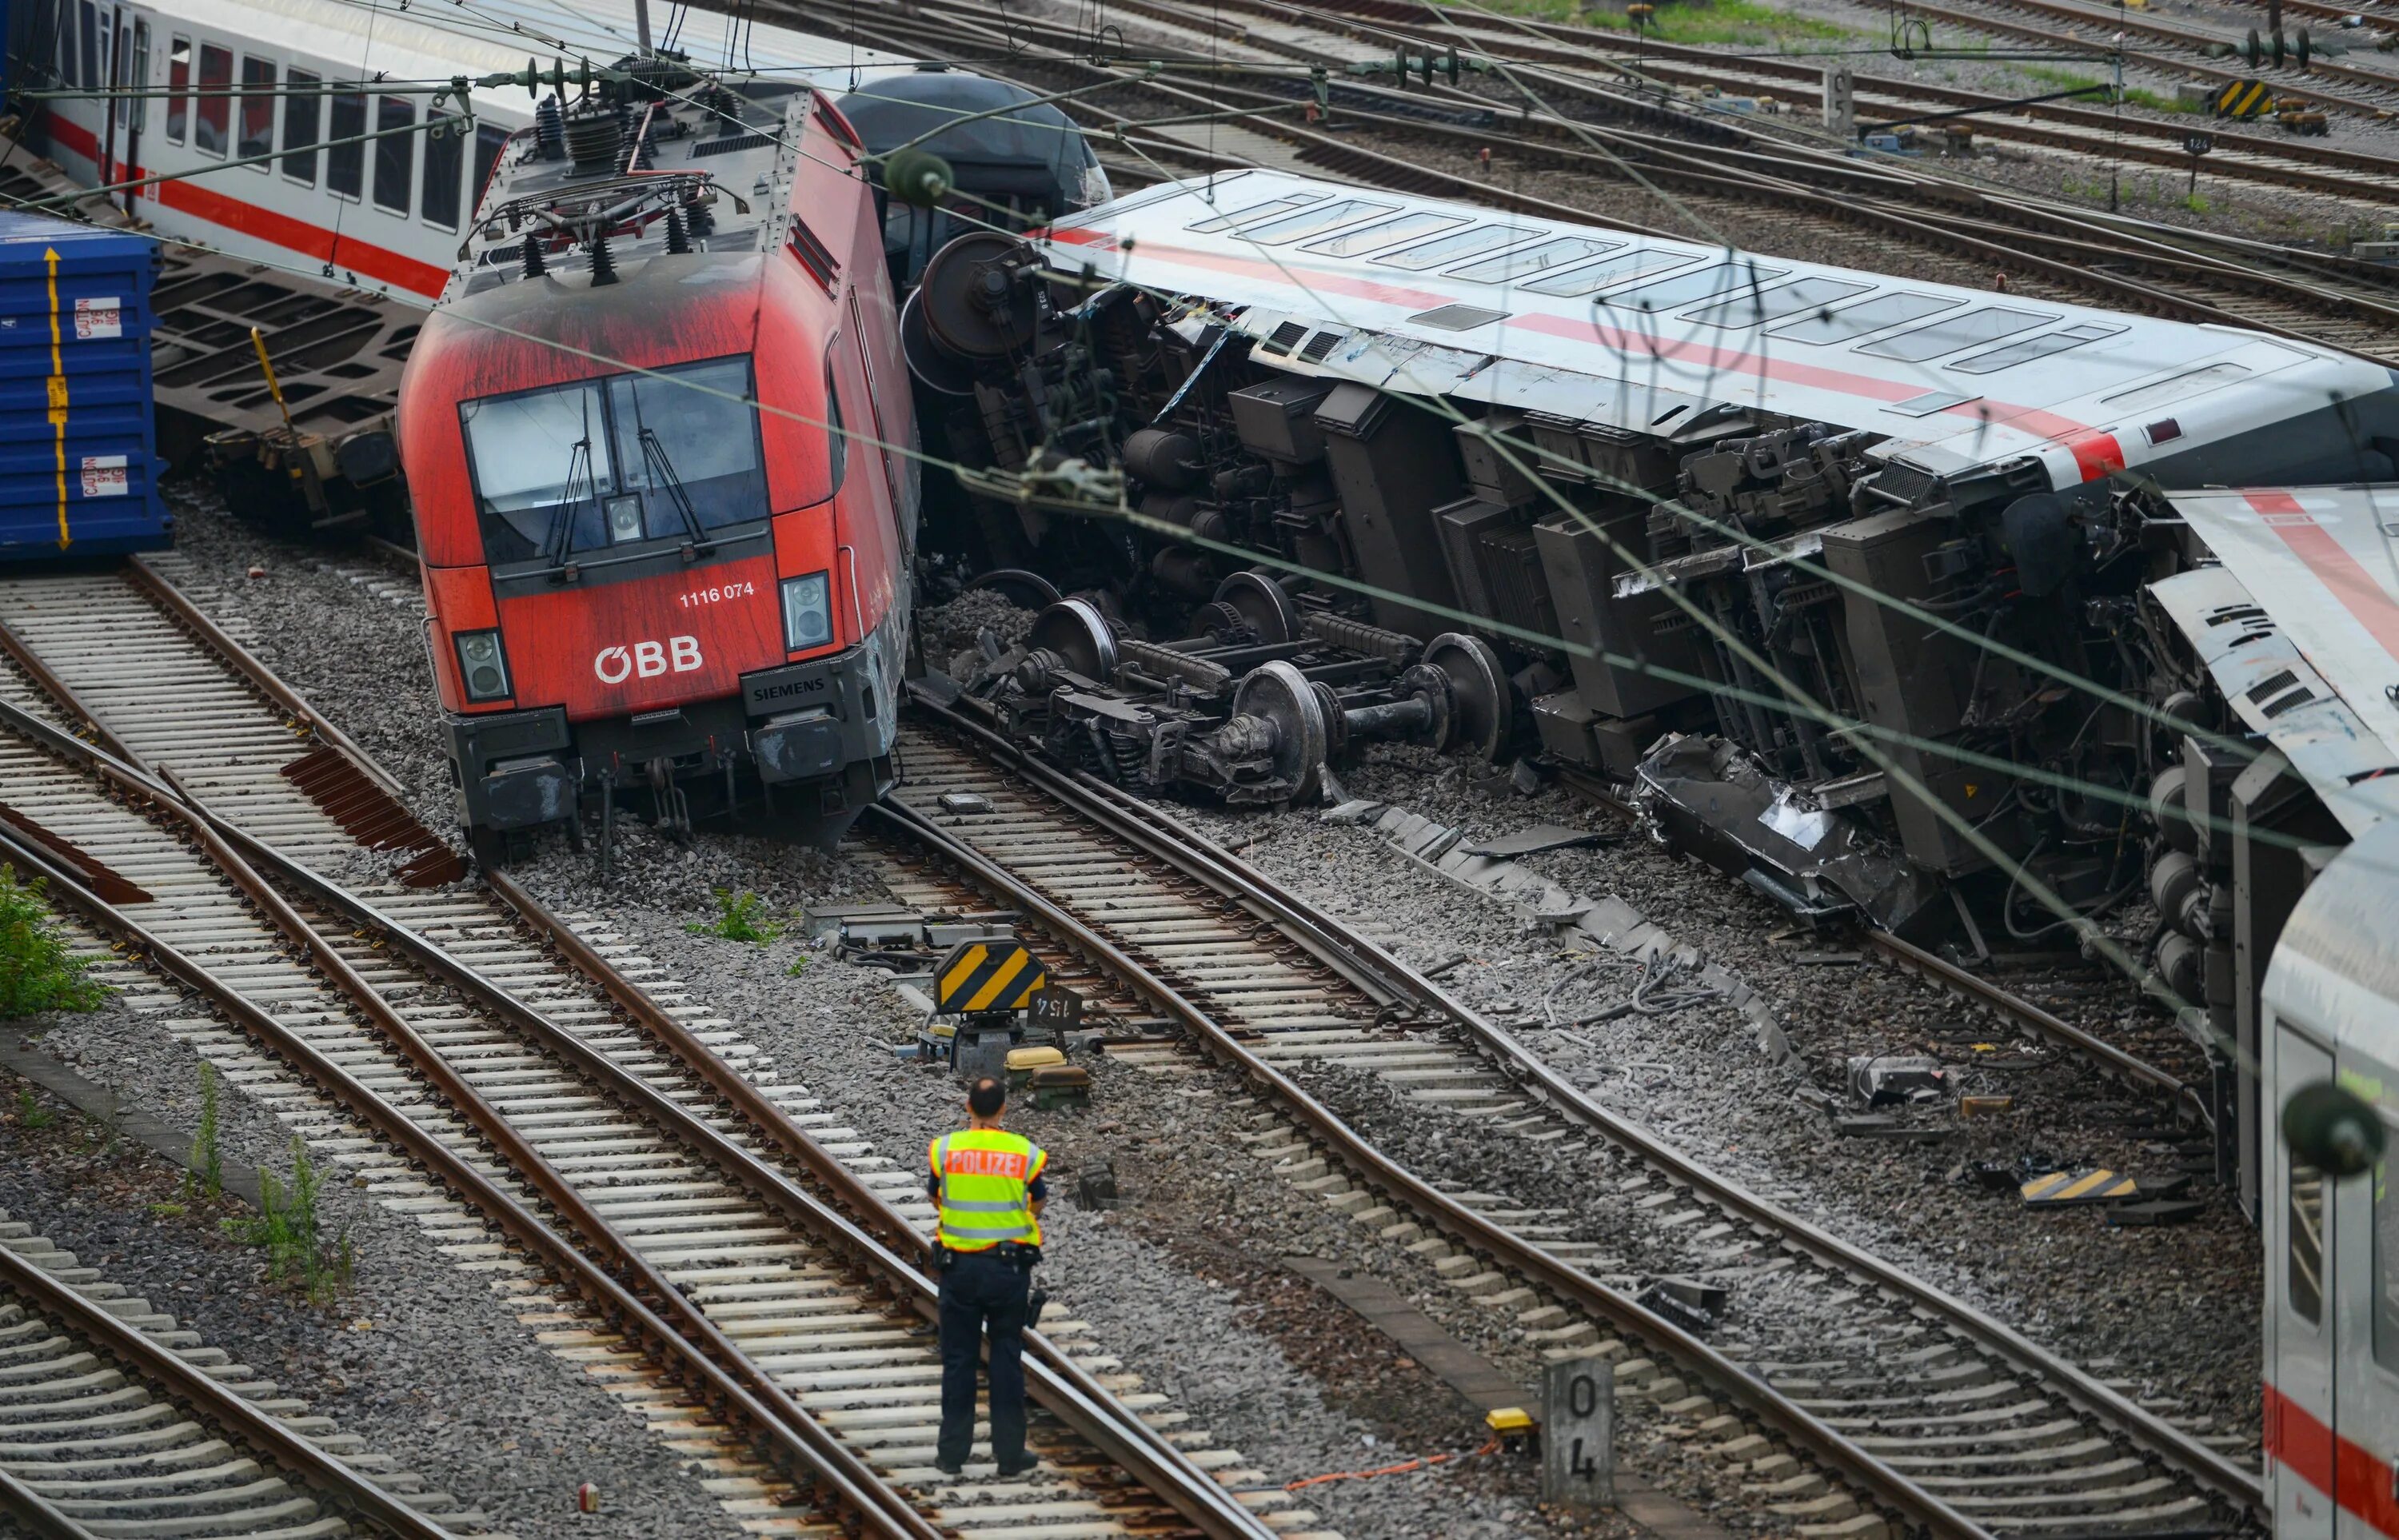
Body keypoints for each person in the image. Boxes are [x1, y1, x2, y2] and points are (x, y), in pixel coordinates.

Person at [927, 1075, 1048, 1477]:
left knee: (959, 1360)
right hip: (1007, 1269)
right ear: (1002, 1109)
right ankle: (1009, 1455)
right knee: (1006, 1357)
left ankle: (951, 1455)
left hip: (959, 1270)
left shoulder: (947, 1149)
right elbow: (1038, 1200)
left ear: (968, 1107)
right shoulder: (1022, 1153)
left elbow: (936, 1195)